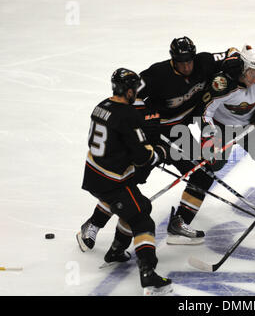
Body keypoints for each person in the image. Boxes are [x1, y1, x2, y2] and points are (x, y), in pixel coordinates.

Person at [79, 68, 172, 296]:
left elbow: (112, 139)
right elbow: (143, 157)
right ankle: (148, 274)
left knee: (140, 205)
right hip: (113, 181)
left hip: (94, 173)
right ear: (128, 90)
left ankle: (116, 251)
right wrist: (159, 152)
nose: (137, 93)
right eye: (135, 90)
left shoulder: (101, 106)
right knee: (143, 221)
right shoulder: (128, 115)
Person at [136, 36, 236, 245]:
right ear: (172, 60)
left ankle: (179, 223)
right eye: (181, 62)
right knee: (128, 179)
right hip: (153, 135)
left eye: (189, 60)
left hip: (178, 132)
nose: (187, 66)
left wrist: (234, 64)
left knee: (203, 174)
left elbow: (232, 53)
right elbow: (128, 94)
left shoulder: (205, 61)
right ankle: (94, 224)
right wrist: (145, 114)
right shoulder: (157, 74)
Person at [201, 42, 255, 207]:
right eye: (251, 72)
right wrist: (210, 135)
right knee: (213, 164)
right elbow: (205, 112)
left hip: (251, 125)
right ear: (243, 67)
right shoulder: (222, 83)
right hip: (221, 126)